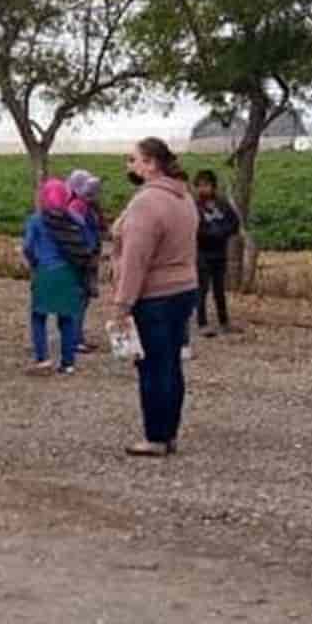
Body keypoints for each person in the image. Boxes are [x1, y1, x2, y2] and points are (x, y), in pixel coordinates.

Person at [111, 137, 198, 457]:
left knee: (152, 368)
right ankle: (169, 431)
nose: (128, 165)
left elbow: (136, 258)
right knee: (171, 365)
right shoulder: (183, 196)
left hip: (155, 295)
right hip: (184, 289)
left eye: (133, 159)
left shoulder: (147, 202)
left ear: (150, 164)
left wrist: (122, 304)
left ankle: (155, 436)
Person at [22, 177, 95, 375]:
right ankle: (68, 362)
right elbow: (87, 244)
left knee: (38, 316)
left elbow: (27, 247)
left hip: (45, 271)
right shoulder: (75, 218)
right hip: (69, 272)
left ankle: (43, 358)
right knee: (67, 317)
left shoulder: (37, 220)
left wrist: (34, 262)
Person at [192, 170, 241, 338]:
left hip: (220, 252)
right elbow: (196, 229)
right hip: (202, 253)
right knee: (202, 289)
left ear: (213, 186)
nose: (203, 189)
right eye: (200, 186)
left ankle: (224, 321)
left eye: (206, 185)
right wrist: (212, 233)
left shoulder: (223, 204)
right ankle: (202, 322)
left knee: (219, 288)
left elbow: (234, 223)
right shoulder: (194, 206)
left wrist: (222, 232)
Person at [66, 169, 107, 349]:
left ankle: (77, 336)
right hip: (82, 257)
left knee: (83, 297)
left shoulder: (86, 206)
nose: (91, 194)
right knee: (80, 296)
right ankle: (75, 338)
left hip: (87, 256)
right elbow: (82, 233)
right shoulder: (77, 207)